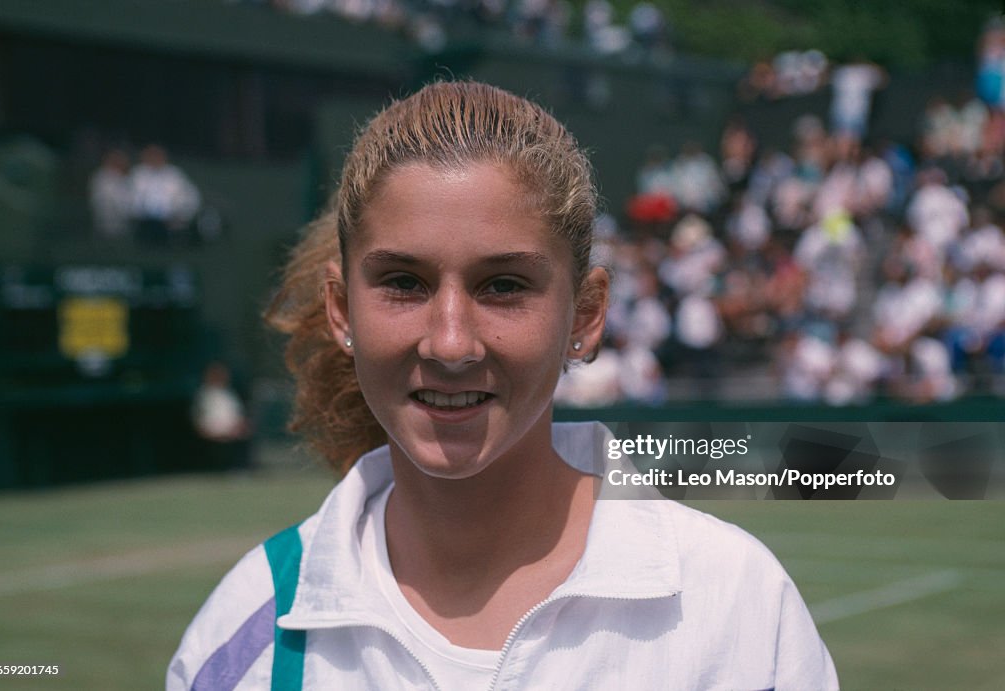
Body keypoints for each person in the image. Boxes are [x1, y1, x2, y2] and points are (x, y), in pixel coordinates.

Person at [168, 81, 837, 690]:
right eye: (404, 282)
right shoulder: (246, 637)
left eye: (504, 285)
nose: (451, 341)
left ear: (586, 314)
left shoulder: (735, 607)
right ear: (342, 309)